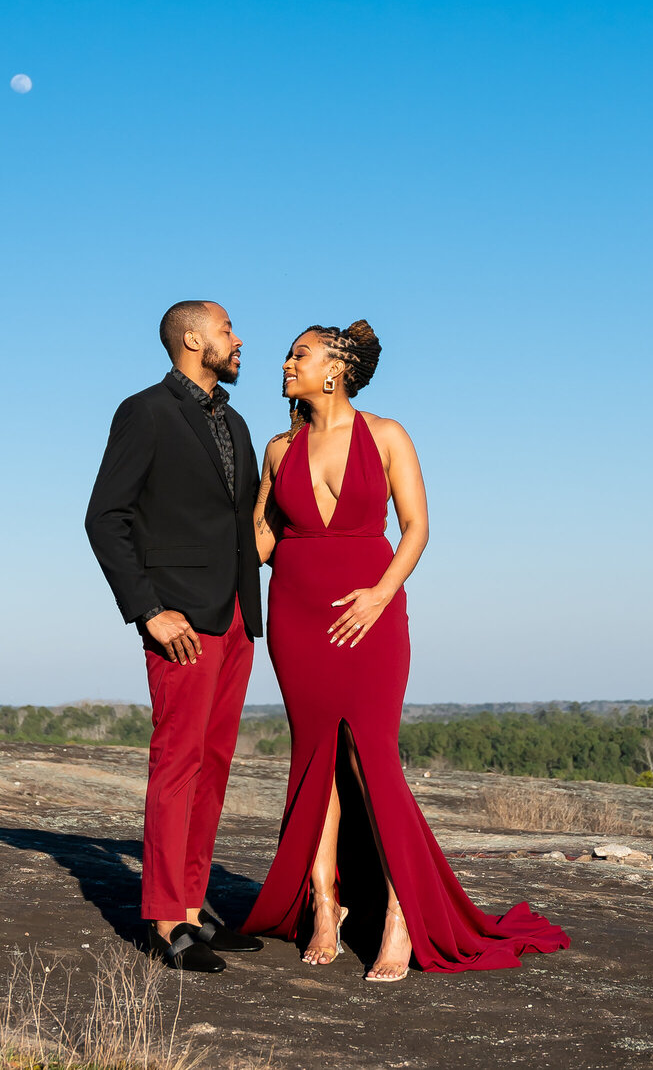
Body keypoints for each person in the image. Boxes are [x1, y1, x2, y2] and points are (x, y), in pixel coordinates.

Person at [239, 320, 569, 980]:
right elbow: (260, 543)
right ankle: (325, 902)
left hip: (373, 612)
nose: (284, 363)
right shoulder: (279, 450)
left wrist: (379, 595)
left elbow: (417, 528)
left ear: (334, 369)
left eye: (297, 354)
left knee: (370, 755)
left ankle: (399, 913)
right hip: (299, 615)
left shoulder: (387, 436)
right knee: (315, 757)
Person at [84, 300, 266, 971]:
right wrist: (148, 610)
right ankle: (164, 921)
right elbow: (105, 517)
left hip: (239, 616)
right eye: (226, 331)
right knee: (177, 762)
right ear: (194, 339)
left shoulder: (238, 422)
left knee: (213, 766)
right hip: (181, 620)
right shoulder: (146, 411)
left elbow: (242, 522)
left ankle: (194, 906)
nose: (238, 339)